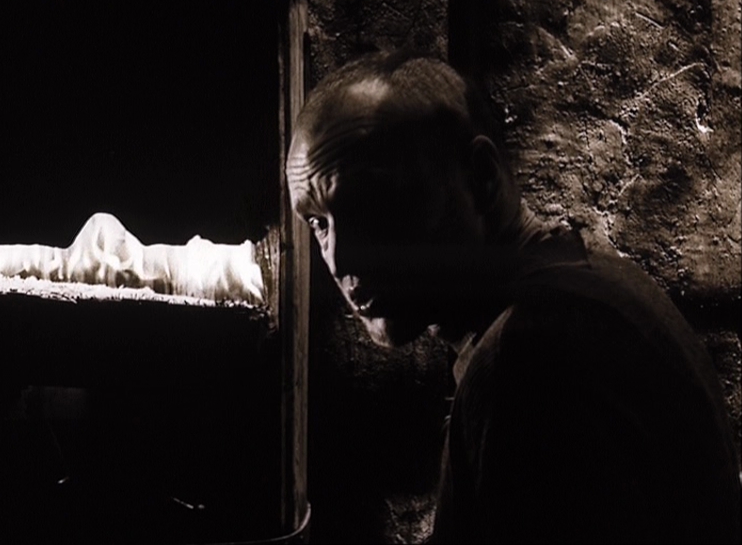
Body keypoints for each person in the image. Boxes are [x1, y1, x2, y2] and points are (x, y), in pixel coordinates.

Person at [285, 51, 741, 544]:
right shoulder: (592, 282)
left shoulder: (528, 356)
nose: (339, 259)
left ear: (481, 179)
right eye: (319, 224)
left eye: (372, 206)